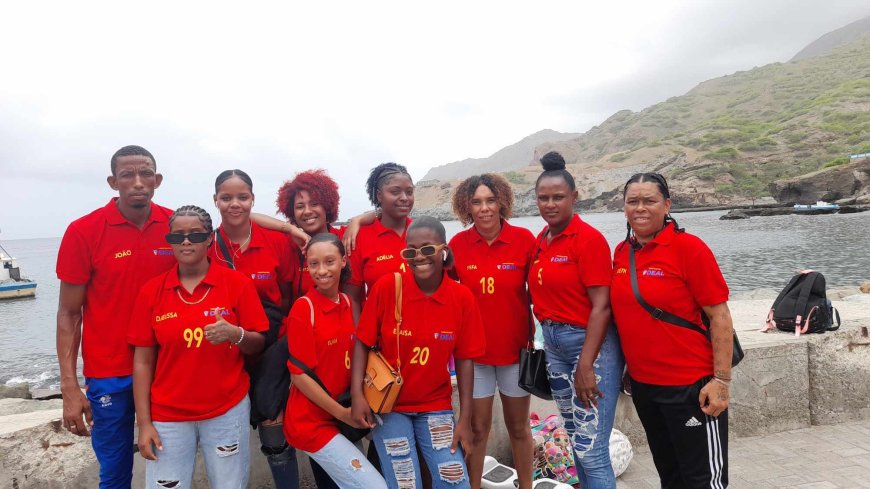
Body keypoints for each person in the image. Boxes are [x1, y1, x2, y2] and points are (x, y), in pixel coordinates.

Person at [56, 145, 175, 488]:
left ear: (158, 180)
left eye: (146, 174)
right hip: (109, 372)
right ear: (113, 182)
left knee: (170, 465)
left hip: (167, 367)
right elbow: (68, 314)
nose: (138, 182)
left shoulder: (176, 226)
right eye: (127, 175)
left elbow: (230, 221)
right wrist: (69, 387)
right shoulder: (84, 231)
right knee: (114, 469)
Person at [129, 205, 268, 489]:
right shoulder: (152, 291)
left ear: (209, 239)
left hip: (227, 411)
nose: (186, 241)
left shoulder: (236, 284)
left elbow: (258, 343)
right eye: (177, 236)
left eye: (195, 234)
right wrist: (144, 424)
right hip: (168, 416)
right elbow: (142, 362)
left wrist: (235, 334)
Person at [610, 173, 732, 488]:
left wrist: (721, 381)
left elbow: (719, 315)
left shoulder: (689, 248)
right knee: (670, 475)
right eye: (632, 201)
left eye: (649, 201)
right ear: (623, 207)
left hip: (690, 387)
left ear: (667, 205)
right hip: (645, 387)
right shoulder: (622, 253)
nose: (640, 208)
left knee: (703, 480)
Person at [350, 216, 485, 489]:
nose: (418, 257)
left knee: (455, 481)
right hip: (391, 406)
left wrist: (464, 420)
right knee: (404, 483)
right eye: (410, 251)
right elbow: (362, 342)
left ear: (443, 250)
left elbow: (465, 361)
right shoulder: (388, 287)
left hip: (435, 406)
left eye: (427, 249)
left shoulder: (461, 298)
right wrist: (356, 395)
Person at [527, 152, 624, 489]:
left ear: (574, 197)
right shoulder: (543, 240)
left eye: (558, 197)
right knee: (577, 446)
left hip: (588, 347)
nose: (550, 204)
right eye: (543, 198)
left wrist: (585, 364)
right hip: (554, 346)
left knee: (592, 451)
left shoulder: (588, 240)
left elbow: (602, 306)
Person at [209, 169, 299, 488]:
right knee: (226, 433)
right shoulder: (207, 246)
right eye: (227, 197)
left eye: (243, 197)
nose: (235, 204)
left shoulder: (276, 241)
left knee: (273, 423)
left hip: (271, 346)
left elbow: (287, 295)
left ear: (252, 199)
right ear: (215, 200)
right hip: (224, 349)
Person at [447, 174, 536, 489]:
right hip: (475, 357)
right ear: (466, 207)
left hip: (514, 354)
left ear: (502, 202)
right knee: (478, 429)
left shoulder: (525, 240)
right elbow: (441, 290)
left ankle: (526, 485)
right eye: (476, 202)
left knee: (519, 428)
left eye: (490, 200)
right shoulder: (458, 245)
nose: (484, 208)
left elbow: (545, 289)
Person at [283, 233, 387, 489]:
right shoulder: (303, 309)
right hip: (313, 423)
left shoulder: (348, 302)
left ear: (343, 261)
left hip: (341, 414)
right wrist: (342, 413)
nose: (321, 270)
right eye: (314, 263)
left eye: (329, 261)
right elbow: (299, 376)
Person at [345, 162, 415, 321]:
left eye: (409, 192)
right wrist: (361, 341)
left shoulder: (423, 233)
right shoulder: (360, 238)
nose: (404, 198)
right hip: (380, 336)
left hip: (423, 334)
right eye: (395, 192)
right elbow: (353, 298)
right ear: (379, 195)